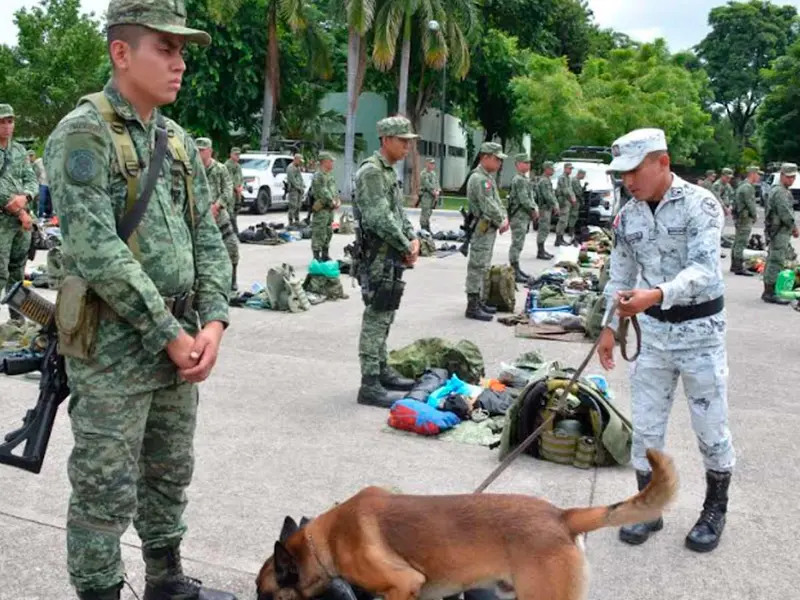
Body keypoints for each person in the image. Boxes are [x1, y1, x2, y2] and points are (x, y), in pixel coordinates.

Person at [43, 1, 235, 598]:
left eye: (181, 51)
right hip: (115, 348)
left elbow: (208, 233)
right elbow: (97, 251)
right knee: (105, 488)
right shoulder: (83, 133)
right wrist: (171, 335)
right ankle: (100, 591)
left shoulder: (174, 140)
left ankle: (167, 580)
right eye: (165, 48)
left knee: (168, 473)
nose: (180, 64)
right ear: (121, 53)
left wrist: (215, 322)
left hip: (178, 342)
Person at [598, 128, 735, 554]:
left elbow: (705, 272)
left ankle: (715, 509)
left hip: (700, 337)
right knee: (646, 429)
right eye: (621, 174)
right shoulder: (628, 215)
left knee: (710, 428)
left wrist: (655, 294)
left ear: (662, 162)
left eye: (634, 171)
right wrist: (607, 327)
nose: (628, 181)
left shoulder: (701, 205)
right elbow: (618, 275)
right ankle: (649, 507)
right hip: (653, 335)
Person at [354, 116, 419, 408]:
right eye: (402, 140)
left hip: (391, 254)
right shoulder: (371, 172)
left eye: (408, 141)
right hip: (378, 256)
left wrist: (412, 239)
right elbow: (379, 217)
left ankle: (381, 369)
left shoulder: (388, 172)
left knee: (387, 312)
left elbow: (398, 213)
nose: (407, 146)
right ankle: (369, 383)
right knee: (376, 315)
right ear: (386, 140)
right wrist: (406, 245)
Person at [0, 103, 37, 324]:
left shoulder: (19, 150)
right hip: (3, 220)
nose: (7, 127)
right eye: (2, 122)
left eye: (10, 121)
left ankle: (17, 321)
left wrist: (28, 196)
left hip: (20, 223)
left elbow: (30, 178)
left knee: (18, 272)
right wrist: (21, 211)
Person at [464, 142, 509, 322]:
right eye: (496, 159)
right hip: (481, 228)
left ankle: (480, 300)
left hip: (488, 228)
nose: (499, 163)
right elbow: (487, 205)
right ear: (485, 157)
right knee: (477, 266)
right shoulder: (479, 179)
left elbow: (497, 201)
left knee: (484, 265)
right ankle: (472, 305)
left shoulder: (487, 178)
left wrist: (503, 217)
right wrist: (501, 220)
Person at [197, 137, 240, 291]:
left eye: (203, 150)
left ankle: (233, 278)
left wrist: (218, 205)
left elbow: (228, 189)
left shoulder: (220, 169)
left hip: (220, 216)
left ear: (210, 151)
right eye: (198, 150)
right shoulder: (193, 169)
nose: (200, 153)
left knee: (232, 246)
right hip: (201, 218)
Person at [762, 162, 798, 305]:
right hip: (780, 230)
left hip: (777, 230)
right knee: (776, 260)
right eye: (789, 177)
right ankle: (770, 293)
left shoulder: (777, 190)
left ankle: (768, 290)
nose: (791, 180)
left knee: (773, 259)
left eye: (793, 177)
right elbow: (785, 213)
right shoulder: (781, 192)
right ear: (782, 175)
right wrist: (794, 227)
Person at [506, 153, 538, 282]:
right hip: (518, 216)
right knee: (517, 243)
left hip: (523, 216)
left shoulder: (524, 179)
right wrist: (532, 210)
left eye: (529, 163)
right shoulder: (518, 180)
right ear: (518, 164)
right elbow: (524, 199)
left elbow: (530, 197)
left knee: (519, 243)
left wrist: (534, 207)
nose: (528, 165)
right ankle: (513, 270)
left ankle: (516, 268)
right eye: (525, 162)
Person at [730, 165, 760, 277]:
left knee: (737, 241)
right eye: (757, 174)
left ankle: (734, 264)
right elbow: (750, 203)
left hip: (740, 217)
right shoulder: (748, 187)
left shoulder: (742, 185)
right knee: (741, 241)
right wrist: (755, 215)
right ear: (752, 174)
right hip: (744, 218)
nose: (759, 177)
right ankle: (738, 266)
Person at [310, 152, 339, 261]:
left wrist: (337, 200)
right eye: (330, 161)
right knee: (319, 232)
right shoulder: (319, 176)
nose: (332, 163)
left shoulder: (329, 175)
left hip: (329, 210)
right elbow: (323, 192)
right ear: (325, 162)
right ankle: (316, 257)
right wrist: (332, 202)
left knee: (328, 232)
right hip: (322, 208)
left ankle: (325, 254)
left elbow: (333, 190)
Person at [535, 161, 558, 259]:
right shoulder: (544, 181)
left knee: (545, 229)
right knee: (543, 229)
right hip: (544, 208)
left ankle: (542, 250)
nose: (553, 171)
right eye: (551, 169)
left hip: (546, 208)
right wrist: (555, 205)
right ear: (546, 169)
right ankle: (540, 252)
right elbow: (547, 195)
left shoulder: (546, 180)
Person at [554, 161, 576, 246]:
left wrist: (573, 198)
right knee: (562, 220)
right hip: (563, 201)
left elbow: (570, 189)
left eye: (571, 169)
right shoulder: (562, 178)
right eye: (569, 168)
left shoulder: (568, 178)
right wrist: (572, 199)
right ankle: (558, 239)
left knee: (565, 221)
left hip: (567, 201)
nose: (570, 170)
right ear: (565, 168)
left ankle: (561, 238)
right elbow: (565, 190)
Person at [224, 146, 243, 234]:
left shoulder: (238, 166)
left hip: (237, 192)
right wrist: (236, 188)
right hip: (231, 192)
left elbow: (241, 178)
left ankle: (233, 230)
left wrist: (241, 187)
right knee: (230, 212)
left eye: (238, 155)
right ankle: (233, 231)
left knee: (236, 210)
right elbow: (229, 179)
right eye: (236, 154)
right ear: (231, 154)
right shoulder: (227, 165)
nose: (237, 156)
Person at [418, 157, 440, 231]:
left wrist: (438, 190)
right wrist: (434, 192)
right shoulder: (424, 173)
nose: (432, 165)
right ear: (427, 164)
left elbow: (436, 183)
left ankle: (427, 228)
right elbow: (427, 184)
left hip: (433, 196)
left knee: (429, 212)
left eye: (433, 164)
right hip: (426, 195)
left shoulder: (433, 173)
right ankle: (424, 229)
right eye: (431, 163)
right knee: (425, 212)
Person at [285, 153, 306, 226]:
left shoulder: (297, 167)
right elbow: (293, 180)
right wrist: (299, 188)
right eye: (299, 161)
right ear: (295, 159)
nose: (300, 163)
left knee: (298, 205)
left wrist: (303, 185)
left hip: (299, 189)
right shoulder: (290, 168)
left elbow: (300, 177)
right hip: (293, 190)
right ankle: (290, 221)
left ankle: (297, 220)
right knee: (293, 206)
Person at [570, 168, 586, 242]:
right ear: (580, 174)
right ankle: (571, 230)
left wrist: (584, 187)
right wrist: (581, 199)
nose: (584, 177)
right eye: (583, 175)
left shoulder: (577, 181)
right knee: (573, 215)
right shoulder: (575, 181)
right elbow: (578, 192)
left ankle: (572, 229)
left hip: (576, 200)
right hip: (575, 201)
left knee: (575, 216)